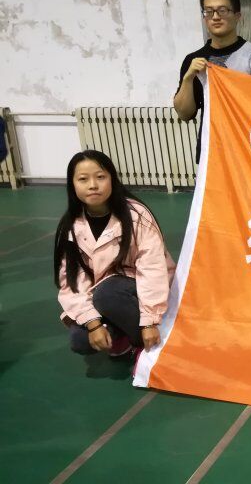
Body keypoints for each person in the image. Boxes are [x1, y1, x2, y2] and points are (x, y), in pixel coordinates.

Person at [54, 150, 176, 360]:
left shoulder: (137, 215)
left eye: (100, 177)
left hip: (143, 294)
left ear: (112, 179)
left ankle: (148, 339)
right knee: (80, 339)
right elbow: (72, 283)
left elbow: (152, 270)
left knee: (108, 293)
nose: (93, 185)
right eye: (83, 179)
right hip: (106, 298)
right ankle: (124, 337)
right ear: (72, 185)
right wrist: (93, 324)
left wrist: (149, 321)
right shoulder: (71, 226)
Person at [174, 0, 251, 160]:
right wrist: (188, 78)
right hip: (210, 152)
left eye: (222, 10)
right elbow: (184, 114)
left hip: (249, 151)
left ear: (237, 16)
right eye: (208, 11)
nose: (215, 17)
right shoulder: (194, 61)